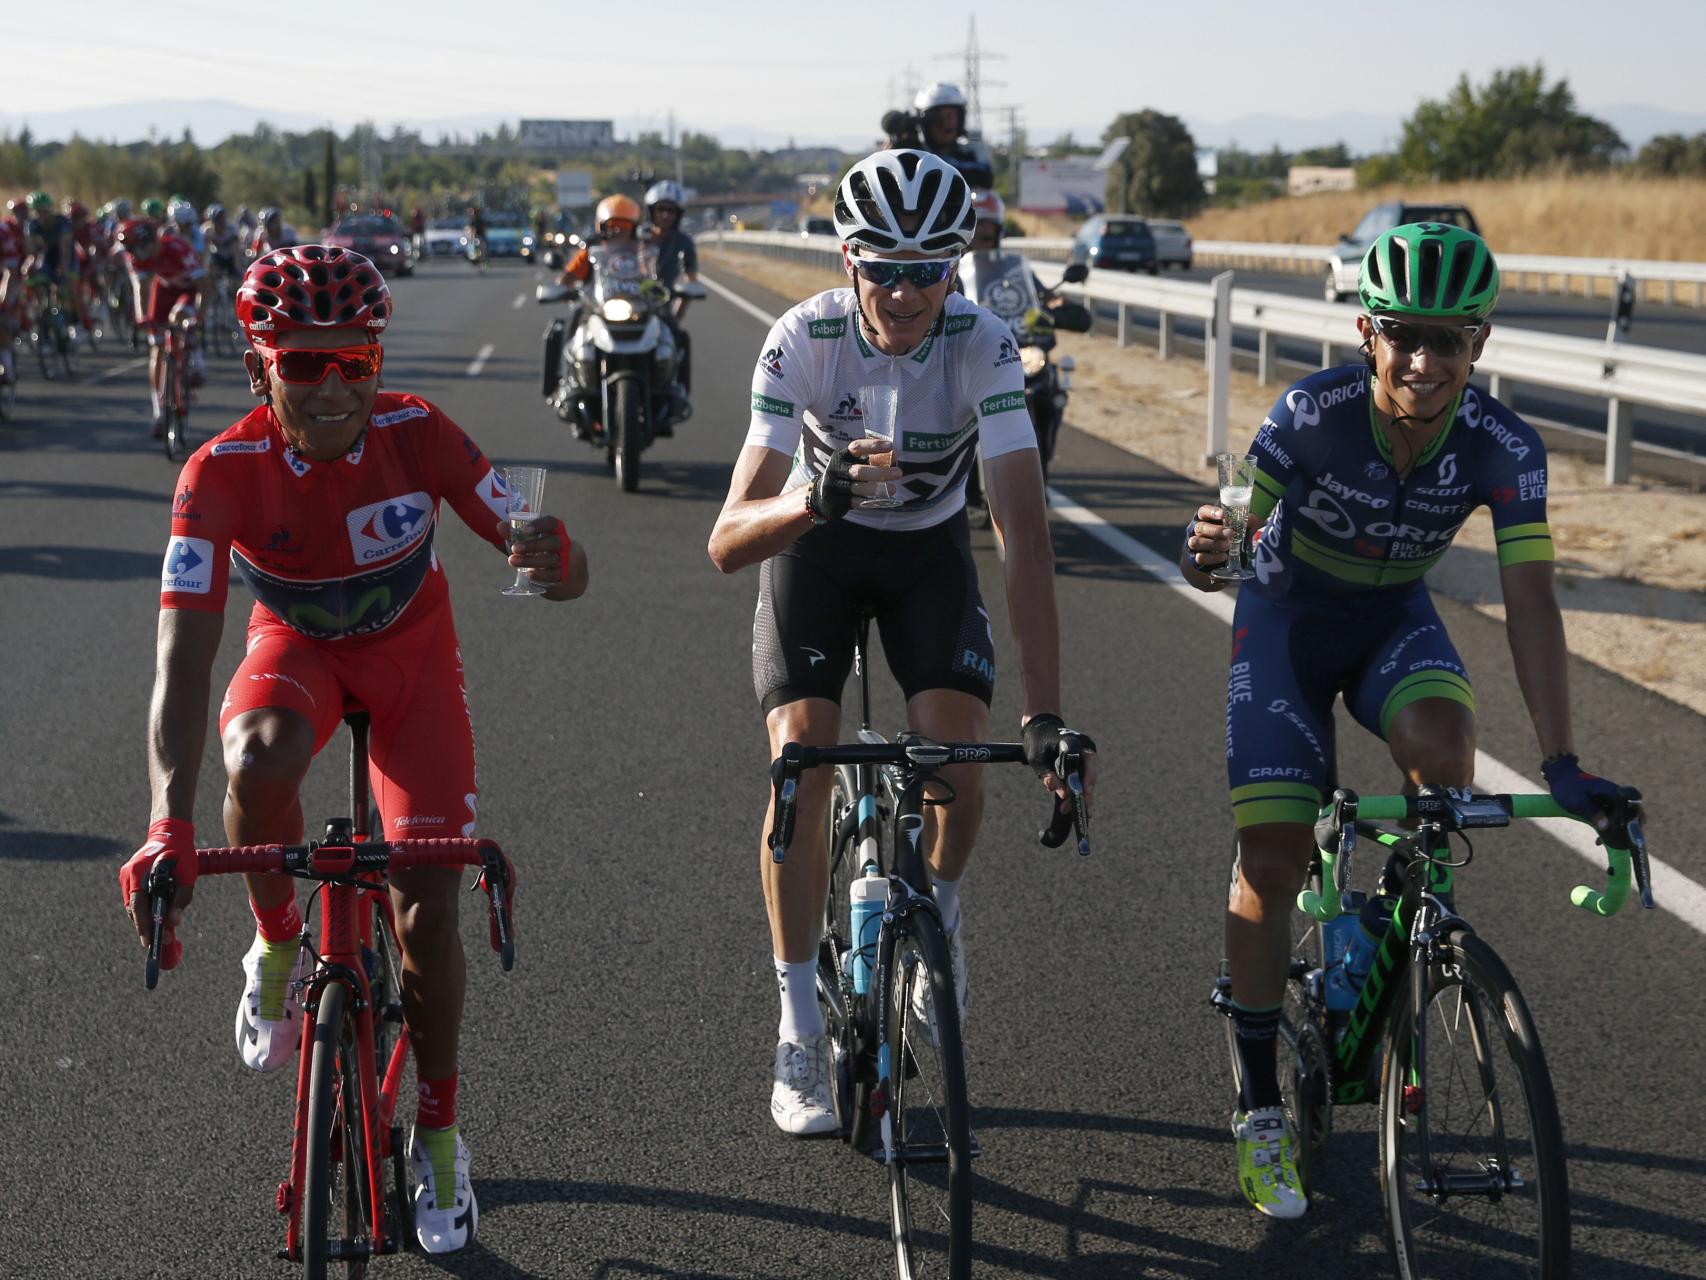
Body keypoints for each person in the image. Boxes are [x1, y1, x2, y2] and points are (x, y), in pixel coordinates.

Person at [117, 244, 589, 1254]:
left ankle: (440, 1136)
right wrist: (167, 825)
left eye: (355, 362)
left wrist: (558, 558)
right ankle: (277, 938)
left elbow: (554, 559)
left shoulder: (420, 433)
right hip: (296, 652)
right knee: (255, 759)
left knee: (425, 911)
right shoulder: (216, 474)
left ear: (378, 362)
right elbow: (180, 666)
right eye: (302, 363)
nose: (333, 386)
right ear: (260, 367)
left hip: (412, 663)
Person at [1179, 222, 1640, 1219]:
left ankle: (1392, 942)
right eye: (1402, 336)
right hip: (1286, 625)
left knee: (1445, 762)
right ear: (1366, 333)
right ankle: (1259, 1104)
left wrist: (1562, 760)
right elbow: (1231, 534)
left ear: (1479, 343)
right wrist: (1207, 550)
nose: (1423, 361)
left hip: (1393, 620)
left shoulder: (1504, 445)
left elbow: (1530, 603)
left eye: (1448, 340)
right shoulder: (1311, 412)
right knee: (1272, 855)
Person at [707, 149, 1095, 1135]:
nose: (907, 291)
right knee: (799, 769)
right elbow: (727, 538)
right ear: (849, 260)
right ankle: (798, 1025)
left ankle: (942, 918)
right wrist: (814, 495)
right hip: (818, 553)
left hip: (927, 556)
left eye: (929, 268)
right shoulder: (803, 339)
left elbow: (1022, 533)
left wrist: (1044, 715)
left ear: (955, 264)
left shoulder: (983, 343)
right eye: (884, 268)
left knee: (958, 765)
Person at [115, 216, 207, 434]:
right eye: (129, 249)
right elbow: (140, 287)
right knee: (157, 347)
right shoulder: (133, 256)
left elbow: (205, 285)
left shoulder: (177, 248)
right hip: (164, 290)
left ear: (149, 241)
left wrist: (199, 317)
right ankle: (159, 411)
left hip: (189, 290)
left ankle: (194, 360)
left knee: (179, 316)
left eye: (135, 248)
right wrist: (142, 316)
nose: (133, 254)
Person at [882, 82, 995, 190]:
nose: (944, 123)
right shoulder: (912, 155)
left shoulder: (974, 153)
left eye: (950, 116)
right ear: (924, 122)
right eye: (936, 117)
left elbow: (983, 180)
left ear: (960, 118)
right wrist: (895, 158)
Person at [643, 180, 698, 394]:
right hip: (626, 300)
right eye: (661, 209)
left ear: (678, 214)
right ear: (652, 211)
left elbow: (691, 281)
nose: (665, 215)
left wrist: (676, 316)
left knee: (679, 338)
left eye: (671, 210)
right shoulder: (635, 235)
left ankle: (678, 394)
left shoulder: (684, 242)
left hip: (660, 307)